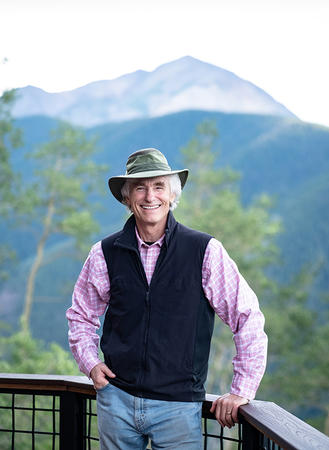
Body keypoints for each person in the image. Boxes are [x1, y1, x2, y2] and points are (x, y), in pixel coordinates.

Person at [66, 148, 267, 449]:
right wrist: (91, 363)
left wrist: (242, 389)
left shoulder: (205, 251)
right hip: (116, 401)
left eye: (159, 186)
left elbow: (247, 316)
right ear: (127, 198)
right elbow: (80, 316)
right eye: (140, 187)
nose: (150, 196)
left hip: (178, 407)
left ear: (172, 195)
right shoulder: (103, 253)